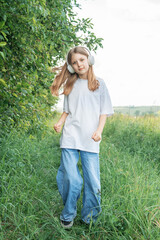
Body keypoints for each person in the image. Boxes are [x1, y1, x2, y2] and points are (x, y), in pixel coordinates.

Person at [50, 46, 114, 229]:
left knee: (93, 181)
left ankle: (90, 217)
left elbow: (104, 112)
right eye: (74, 62)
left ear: (89, 59)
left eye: (82, 60)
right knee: (71, 177)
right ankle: (68, 214)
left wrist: (99, 131)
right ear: (70, 67)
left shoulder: (99, 84)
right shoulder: (70, 85)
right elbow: (67, 110)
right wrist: (60, 122)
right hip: (70, 137)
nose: (79, 64)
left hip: (90, 139)